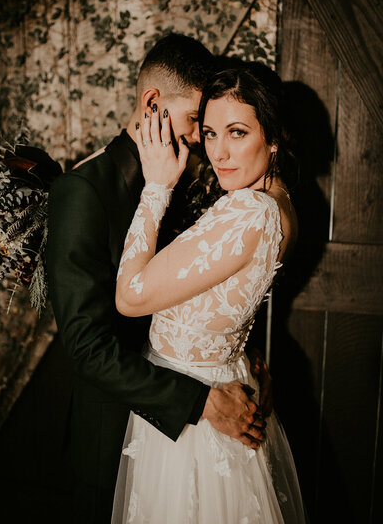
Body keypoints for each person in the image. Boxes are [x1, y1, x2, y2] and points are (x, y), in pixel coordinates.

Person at [46, 35, 272, 524]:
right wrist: (200, 401)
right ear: (153, 104)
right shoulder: (82, 192)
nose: (201, 140)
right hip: (114, 437)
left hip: (189, 443)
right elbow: (86, 347)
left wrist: (237, 351)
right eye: (196, 121)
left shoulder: (193, 177)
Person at [111, 63, 307, 523]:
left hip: (192, 426)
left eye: (237, 133)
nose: (219, 152)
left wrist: (156, 187)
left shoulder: (247, 210)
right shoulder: (281, 206)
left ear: (273, 138)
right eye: (212, 133)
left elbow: (129, 297)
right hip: (226, 382)